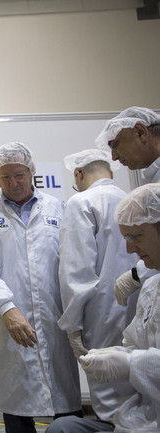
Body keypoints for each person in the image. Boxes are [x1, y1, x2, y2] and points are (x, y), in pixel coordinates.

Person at [0, 142, 82, 433]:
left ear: (32, 172)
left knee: (64, 400)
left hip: (55, 315)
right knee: (16, 400)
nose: (13, 183)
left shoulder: (57, 207)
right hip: (6, 318)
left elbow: (73, 262)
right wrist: (7, 308)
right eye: (5, 177)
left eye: (19, 175)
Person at [46, 183, 160, 433]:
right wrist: (117, 354)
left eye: (136, 236)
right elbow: (134, 343)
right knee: (62, 428)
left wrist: (131, 364)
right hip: (143, 418)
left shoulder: (81, 203)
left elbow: (75, 271)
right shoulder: (151, 289)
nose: (130, 249)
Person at [57, 149, 137, 422]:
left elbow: (76, 270)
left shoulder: (81, 203)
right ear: (111, 173)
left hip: (100, 310)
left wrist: (72, 325)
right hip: (140, 304)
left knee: (107, 389)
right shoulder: (133, 200)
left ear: (79, 174)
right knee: (135, 382)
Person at [95, 107, 160, 324]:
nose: (113, 156)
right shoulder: (152, 175)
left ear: (141, 132)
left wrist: (137, 274)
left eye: (115, 144)